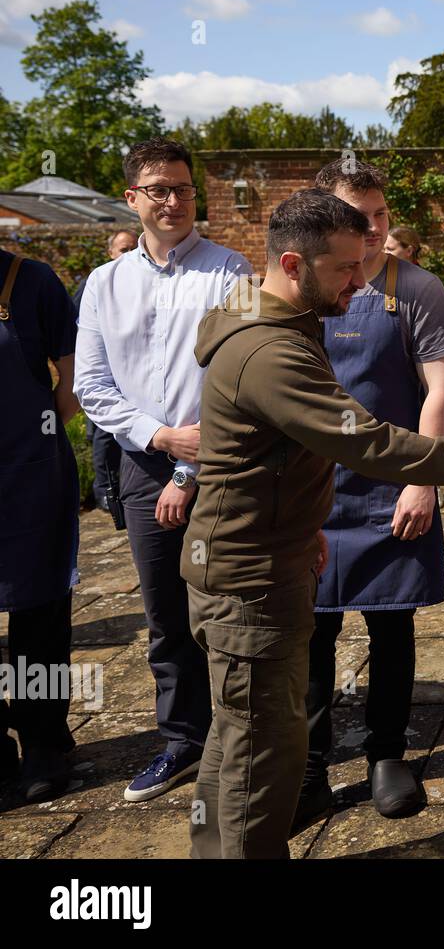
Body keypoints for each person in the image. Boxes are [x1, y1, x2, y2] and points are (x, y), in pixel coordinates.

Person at [180, 189, 444, 859]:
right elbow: (369, 442)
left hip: (264, 557)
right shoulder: (270, 351)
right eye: (344, 269)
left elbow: (286, 446)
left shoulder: (276, 318)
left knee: (238, 742)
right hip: (249, 585)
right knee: (260, 760)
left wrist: (301, 516)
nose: (360, 281)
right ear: (292, 263)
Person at [73, 138, 253, 803]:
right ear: (132, 199)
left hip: (220, 462)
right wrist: (159, 439)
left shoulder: (231, 271)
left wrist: (191, 468)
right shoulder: (104, 284)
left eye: (182, 187)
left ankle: (238, 736)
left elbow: (234, 378)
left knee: (229, 608)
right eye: (158, 189)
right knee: (165, 614)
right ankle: (182, 739)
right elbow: (91, 385)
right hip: (143, 463)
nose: (173, 200)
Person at [294, 159, 444, 831]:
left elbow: (441, 392)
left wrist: (423, 479)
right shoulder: (293, 289)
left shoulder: (417, 288)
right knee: (308, 635)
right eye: (355, 220)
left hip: (391, 491)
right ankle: (307, 764)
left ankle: (386, 755)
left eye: (380, 217)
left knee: (392, 627)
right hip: (311, 495)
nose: (370, 233)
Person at [0, 249, 81, 803]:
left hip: (29, 475)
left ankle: (43, 743)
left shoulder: (29, 281)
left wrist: (36, 436)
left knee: (39, 616)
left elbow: (72, 380)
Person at [72, 229, 136, 512]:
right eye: (123, 249)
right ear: (110, 252)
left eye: (134, 248)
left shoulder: (143, 283)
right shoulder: (95, 284)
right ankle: (105, 494)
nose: (129, 253)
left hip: (135, 378)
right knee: (104, 438)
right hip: (105, 378)